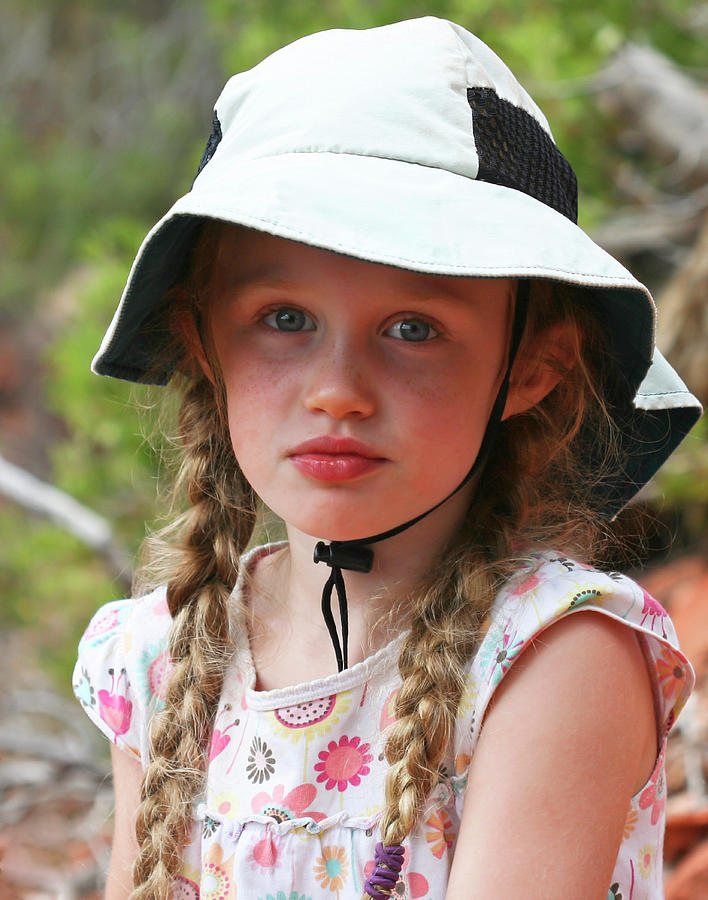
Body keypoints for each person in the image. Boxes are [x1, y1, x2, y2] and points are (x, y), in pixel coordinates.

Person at [72, 17, 702, 900]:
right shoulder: (158, 658)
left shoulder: (552, 654)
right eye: (285, 318)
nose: (338, 390)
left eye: (414, 329)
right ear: (203, 341)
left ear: (530, 365)